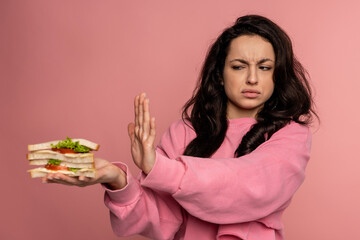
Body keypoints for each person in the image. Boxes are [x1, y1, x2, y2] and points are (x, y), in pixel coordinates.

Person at [44, 15, 317, 240]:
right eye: (238, 66)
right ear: (220, 75)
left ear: (277, 74)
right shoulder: (185, 132)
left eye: (265, 67)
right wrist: (117, 179)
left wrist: (160, 169)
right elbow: (161, 218)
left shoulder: (290, 135)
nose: (253, 78)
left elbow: (248, 185)